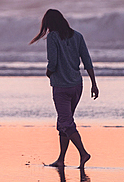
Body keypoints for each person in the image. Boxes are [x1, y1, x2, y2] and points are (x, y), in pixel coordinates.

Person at [29, 9, 98, 168]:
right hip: (77, 86)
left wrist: (48, 72)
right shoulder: (77, 36)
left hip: (61, 86)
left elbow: (52, 62)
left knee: (66, 122)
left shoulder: (53, 37)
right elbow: (87, 60)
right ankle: (61, 160)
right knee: (65, 122)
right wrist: (94, 84)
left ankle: (83, 153)